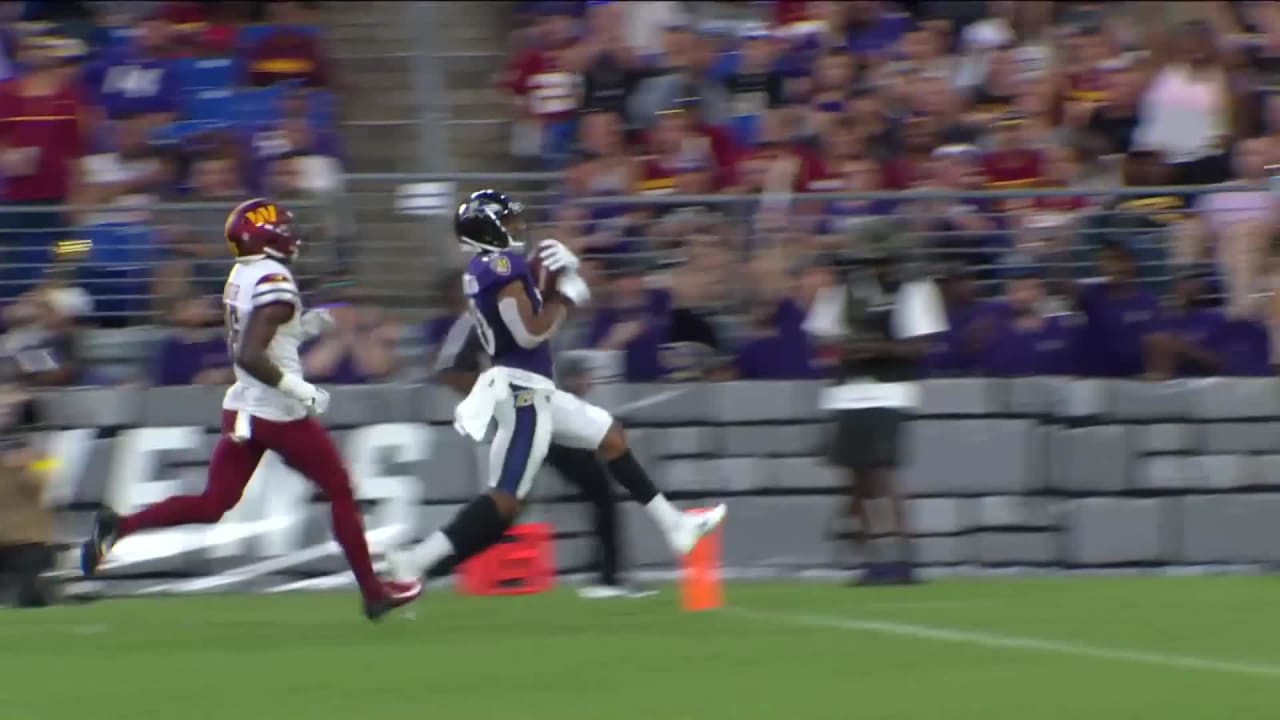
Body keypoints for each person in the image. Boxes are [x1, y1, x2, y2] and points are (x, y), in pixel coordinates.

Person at [79, 198, 421, 621]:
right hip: (275, 411)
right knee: (339, 488)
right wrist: (301, 389)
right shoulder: (274, 280)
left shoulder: (244, 273)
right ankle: (373, 592)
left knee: (213, 503)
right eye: (284, 229)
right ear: (267, 236)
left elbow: (267, 336)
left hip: (244, 407)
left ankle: (120, 527)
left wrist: (310, 325)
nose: (292, 236)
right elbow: (250, 353)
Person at [386, 190, 726, 587]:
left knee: (610, 436)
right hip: (522, 392)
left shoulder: (488, 268)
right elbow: (529, 332)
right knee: (504, 500)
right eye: (508, 221)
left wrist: (550, 276)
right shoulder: (499, 265)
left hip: (533, 389)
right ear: (490, 226)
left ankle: (675, 526)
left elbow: (522, 310)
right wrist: (566, 297)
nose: (516, 227)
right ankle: (416, 561)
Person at [432, 319, 652, 599]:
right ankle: (609, 578)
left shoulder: (510, 317)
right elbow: (450, 369)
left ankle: (433, 569)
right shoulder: (487, 320)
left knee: (589, 490)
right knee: (592, 490)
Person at [804, 246, 947, 585]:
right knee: (858, 480)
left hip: (890, 388)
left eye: (881, 260)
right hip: (847, 392)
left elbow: (920, 345)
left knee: (882, 472)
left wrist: (875, 348)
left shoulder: (913, 289)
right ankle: (874, 558)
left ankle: (900, 554)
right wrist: (849, 347)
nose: (875, 268)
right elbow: (822, 340)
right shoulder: (841, 294)